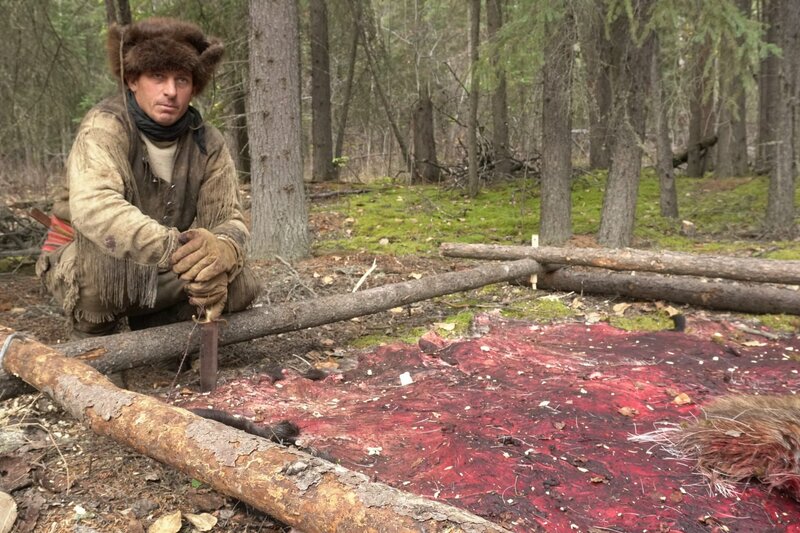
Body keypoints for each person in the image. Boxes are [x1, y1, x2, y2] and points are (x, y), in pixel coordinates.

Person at [37, 17, 259, 338]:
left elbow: (229, 219)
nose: (170, 91)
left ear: (193, 87)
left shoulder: (207, 141)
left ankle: (159, 327)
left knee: (240, 285)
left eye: (182, 80)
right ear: (132, 81)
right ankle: (96, 341)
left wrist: (221, 250)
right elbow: (96, 209)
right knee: (102, 279)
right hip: (86, 257)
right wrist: (175, 248)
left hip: (162, 263)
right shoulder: (104, 126)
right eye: (157, 76)